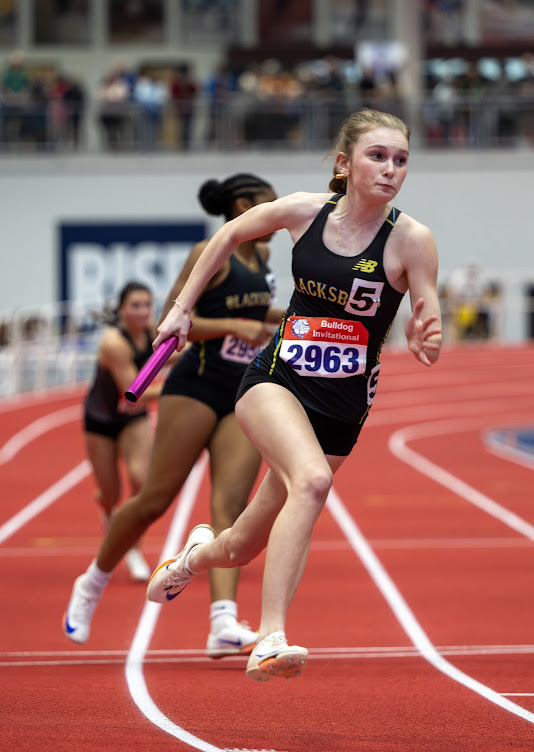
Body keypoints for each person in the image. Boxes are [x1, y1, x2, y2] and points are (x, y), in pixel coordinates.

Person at [147, 107, 443, 682]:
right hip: (276, 379)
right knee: (312, 482)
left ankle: (192, 558)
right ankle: (270, 636)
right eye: (378, 156)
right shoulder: (305, 212)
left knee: (242, 544)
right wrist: (182, 309)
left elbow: (427, 312)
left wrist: (425, 333)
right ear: (345, 163)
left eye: (401, 160)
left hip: (343, 405)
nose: (390, 169)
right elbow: (229, 234)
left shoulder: (412, 239)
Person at [63, 173, 285, 655]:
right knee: (154, 499)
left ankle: (223, 622)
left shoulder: (263, 257)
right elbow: (173, 320)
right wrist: (234, 326)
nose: (279, 212)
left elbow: (259, 310)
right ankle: (92, 582)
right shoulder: (213, 251)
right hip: (196, 386)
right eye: (271, 203)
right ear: (244, 207)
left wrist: (293, 317)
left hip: (242, 390)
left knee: (231, 506)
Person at [81, 281, 164, 584]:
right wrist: (178, 386)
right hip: (101, 421)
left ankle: (134, 550)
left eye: (147, 304)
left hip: (133, 420)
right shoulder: (113, 343)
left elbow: (171, 354)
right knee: (111, 493)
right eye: (135, 305)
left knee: (141, 479)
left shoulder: (152, 332)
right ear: (121, 310)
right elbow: (134, 393)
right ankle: (105, 505)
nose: (143, 311)